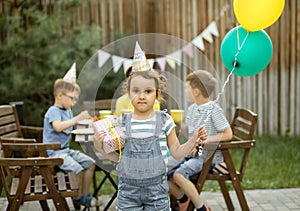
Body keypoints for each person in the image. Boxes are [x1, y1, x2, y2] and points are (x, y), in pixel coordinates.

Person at [94, 69, 207, 210]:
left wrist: (192, 141)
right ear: (129, 94)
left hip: (156, 192)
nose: (141, 96)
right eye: (136, 91)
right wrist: (100, 147)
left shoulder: (165, 121)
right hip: (128, 192)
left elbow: (177, 152)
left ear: (157, 95)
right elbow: (118, 158)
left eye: (148, 91)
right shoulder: (120, 123)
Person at [167, 70, 233, 211]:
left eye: (187, 88)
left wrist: (206, 140)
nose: (185, 91)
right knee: (162, 170)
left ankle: (201, 208)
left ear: (196, 91)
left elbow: (228, 134)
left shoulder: (214, 110)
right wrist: (177, 124)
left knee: (178, 174)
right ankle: (183, 199)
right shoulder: (192, 109)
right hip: (191, 154)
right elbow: (190, 132)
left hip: (206, 158)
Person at [43, 78, 102, 208]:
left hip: (66, 150)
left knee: (91, 163)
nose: (74, 102)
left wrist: (89, 124)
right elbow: (58, 127)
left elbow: (71, 127)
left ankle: (84, 197)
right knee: (77, 170)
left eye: (76, 99)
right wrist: (77, 118)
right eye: (72, 98)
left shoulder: (68, 111)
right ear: (59, 95)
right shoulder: (53, 111)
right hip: (54, 153)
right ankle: (77, 198)